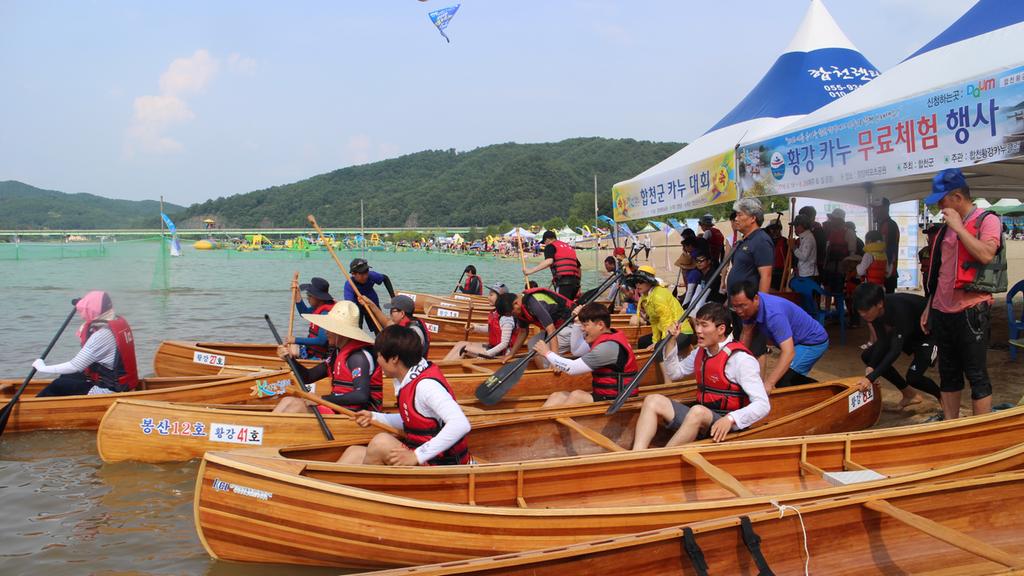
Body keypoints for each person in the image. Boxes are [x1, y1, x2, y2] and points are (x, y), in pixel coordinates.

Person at [922, 168, 1005, 420]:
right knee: (948, 374)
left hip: (971, 311)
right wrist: (929, 306)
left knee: (976, 375)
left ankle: (979, 431)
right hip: (942, 310)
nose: (939, 206)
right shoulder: (946, 227)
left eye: (942, 200)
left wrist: (959, 228)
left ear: (957, 197)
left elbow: (986, 254)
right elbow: (941, 271)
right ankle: (951, 427)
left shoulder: (987, 220)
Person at [632, 303, 770, 449]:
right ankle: (637, 454)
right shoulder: (700, 352)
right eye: (697, 324)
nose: (698, 330)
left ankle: (662, 457)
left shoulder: (741, 360)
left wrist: (731, 419)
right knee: (652, 400)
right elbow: (675, 373)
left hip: (726, 423)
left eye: (704, 325)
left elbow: (763, 405)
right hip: (700, 416)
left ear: (721, 329)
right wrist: (671, 341)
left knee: (698, 411)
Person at [339, 325, 471, 466]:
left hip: (442, 465)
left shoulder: (426, 386)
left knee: (380, 442)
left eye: (379, 355)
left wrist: (417, 455)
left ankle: (364, 479)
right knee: (354, 452)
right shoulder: (407, 379)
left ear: (394, 358)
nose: (377, 360)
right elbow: (412, 420)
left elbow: (460, 424)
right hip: (422, 455)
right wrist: (374, 417)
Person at [273, 301, 383, 414]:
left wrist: (322, 399)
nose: (326, 332)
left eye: (329, 329)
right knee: (287, 400)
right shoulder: (337, 353)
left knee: (296, 405)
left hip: (359, 415)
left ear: (340, 332)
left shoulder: (358, 357)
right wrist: (290, 359)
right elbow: (308, 377)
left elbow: (361, 396)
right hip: (340, 409)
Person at [534, 302, 639, 407]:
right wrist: (576, 323)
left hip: (620, 400)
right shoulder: (603, 339)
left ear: (600, 325)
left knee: (577, 395)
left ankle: (552, 418)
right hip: (605, 396)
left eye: (585, 325)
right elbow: (576, 351)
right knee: (557, 396)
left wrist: (547, 353)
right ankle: (541, 418)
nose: (582, 329)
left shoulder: (608, 347)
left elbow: (572, 368)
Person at [34, 291, 138, 397]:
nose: (81, 315)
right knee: (66, 376)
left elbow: (75, 366)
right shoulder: (117, 321)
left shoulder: (102, 334)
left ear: (92, 311)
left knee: (58, 385)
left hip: (111, 390)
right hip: (122, 383)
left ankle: (35, 404)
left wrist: (43, 368)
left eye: (84, 311)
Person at [853, 283, 940, 409]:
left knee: (914, 378)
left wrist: (870, 378)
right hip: (908, 332)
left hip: (930, 334)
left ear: (879, 304)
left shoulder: (899, 309)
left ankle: (944, 399)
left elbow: (895, 351)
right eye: (860, 311)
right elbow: (882, 340)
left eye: (866, 311)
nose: (862, 315)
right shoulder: (876, 312)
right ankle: (910, 395)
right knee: (868, 356)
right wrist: (871, 366)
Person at [729, 281, 829, 391]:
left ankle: (823, 391)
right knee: (788, 377)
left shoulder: (774, 314)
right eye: (735, 306)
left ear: (756, 299)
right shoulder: (749, 308)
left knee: (782, 380)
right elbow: (746, 333)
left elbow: (789, 353)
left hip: (812, 342)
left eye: (742, 306)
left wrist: (769, 383)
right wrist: (736, 365)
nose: (739, 311)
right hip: (796, 342)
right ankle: (819, 389)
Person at [725, 197, 774, 359]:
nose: (736, 219)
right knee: (741, 341)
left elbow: (766, 275)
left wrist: (760, 305)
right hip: (738, 303)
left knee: (755, 348)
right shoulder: (745, 241)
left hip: (750, 305)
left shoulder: (761, 240)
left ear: (753, 218)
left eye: (740, 215)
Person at [505, 286, 576, 363]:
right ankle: (545, 368)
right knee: (532, 344)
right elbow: (523, 332)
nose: (513, 316)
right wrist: (511, 354)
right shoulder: (519, 309)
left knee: (544, 352)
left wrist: (554, 360)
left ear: (516, 303)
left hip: (570, 326)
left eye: (512, 313)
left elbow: (551, 330)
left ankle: (553, 366)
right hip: (557, 328)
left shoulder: (534, 304)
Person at [443, 288, 519, 360]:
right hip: (493, 347)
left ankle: (445, 366)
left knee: (463, 348)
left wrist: (486, 355)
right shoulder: (496, 313)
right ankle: (445, 365)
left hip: (500, 352)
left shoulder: (506, 318)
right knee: (461, 343)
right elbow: (492, 329)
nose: (488, 297)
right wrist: (475, 328)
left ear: (500, 298)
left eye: (491, 295)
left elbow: (504, 344)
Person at [629, 265, 685, 350]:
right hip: (665, 329)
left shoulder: (658, 296)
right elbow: (654, 321)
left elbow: (667, 322)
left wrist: (660, 343)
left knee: (660, 349)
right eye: (636, 282)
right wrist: (655, 341)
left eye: (641, 282)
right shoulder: (646, 296)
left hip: (680, 331)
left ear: (650, 282)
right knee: (642, 341)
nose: (638, 285)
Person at [522, 230, 581, 299]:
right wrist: (579, 285)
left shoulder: (550, 246)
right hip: (575, 282)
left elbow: (549, 261)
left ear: (547, 240)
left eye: (544, 242)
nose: (545, 244)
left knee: (562, 304)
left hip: (563, 282)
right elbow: (578, 267)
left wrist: (530, 271)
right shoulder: (568, 247)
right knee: (569, 303)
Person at [343, 258, 396, 335]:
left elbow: (385, 278)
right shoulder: (349, 285)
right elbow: (349, 305)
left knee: (379, 328)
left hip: (373, 303)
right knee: (357, 329)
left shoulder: (371, 275)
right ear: (353, 274)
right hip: (357, 307)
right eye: (361, 274)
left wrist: (393, 297)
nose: (365, 276)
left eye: (366, 272)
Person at [292, 276, 336, 360]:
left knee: (291, 350)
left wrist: (295, 340)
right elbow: (304, 313)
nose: (307, 298)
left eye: (309, 295)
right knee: (290, 348)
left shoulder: (325, 314)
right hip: (312, 351)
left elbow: (321, 341)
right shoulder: (319, 306)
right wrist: (297, 296)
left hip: (321, 357)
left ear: (318, 297)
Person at [872, 197, 901, 293]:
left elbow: (884, 249)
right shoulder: (882, 224)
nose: (873, 211)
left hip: (886, 273)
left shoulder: (888, 225)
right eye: (873, 208)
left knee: (886, 300)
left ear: (885, 208)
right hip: (882, 272)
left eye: (876, 208)